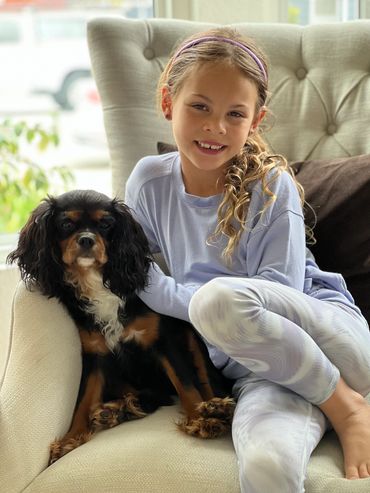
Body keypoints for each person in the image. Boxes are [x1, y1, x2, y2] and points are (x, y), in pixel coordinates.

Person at [124, 27, 370, 493]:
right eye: (199, 106)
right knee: (265, 468)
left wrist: (169, 293)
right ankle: (334, 403)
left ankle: (349, 406)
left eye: (234, 114)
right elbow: (129, 270)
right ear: (166, 103)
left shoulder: (271, 185)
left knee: (216, 302)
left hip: (332, 340)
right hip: (255, 371)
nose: (215, 126)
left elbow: (281, 295)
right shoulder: (148, 183)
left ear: (255, 120)